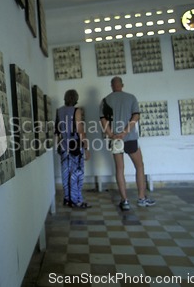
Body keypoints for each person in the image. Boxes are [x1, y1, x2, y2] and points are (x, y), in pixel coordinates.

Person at [100, 77, 156, 211]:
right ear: (122, 85)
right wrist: (125, 132)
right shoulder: (131, 98)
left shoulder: (105, 100)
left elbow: (103, 121)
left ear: (111, 86)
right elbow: (135, 117)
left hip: (115, 140)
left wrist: (112, 135)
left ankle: (125, 201)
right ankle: (142, 198)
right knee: (140, 166)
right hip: (130, 138)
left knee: (120, 169)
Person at [55, 89, 90, 208]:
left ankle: (67, 199)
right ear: (76, 99)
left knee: (65, 174)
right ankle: (76, 201)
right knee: (77, 174)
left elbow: (57, 132)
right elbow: (80, 130)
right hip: (75, 145)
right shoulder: (77, 111)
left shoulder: (59, 111)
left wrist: (59, 147)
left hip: (64, 146)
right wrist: (86, 147)